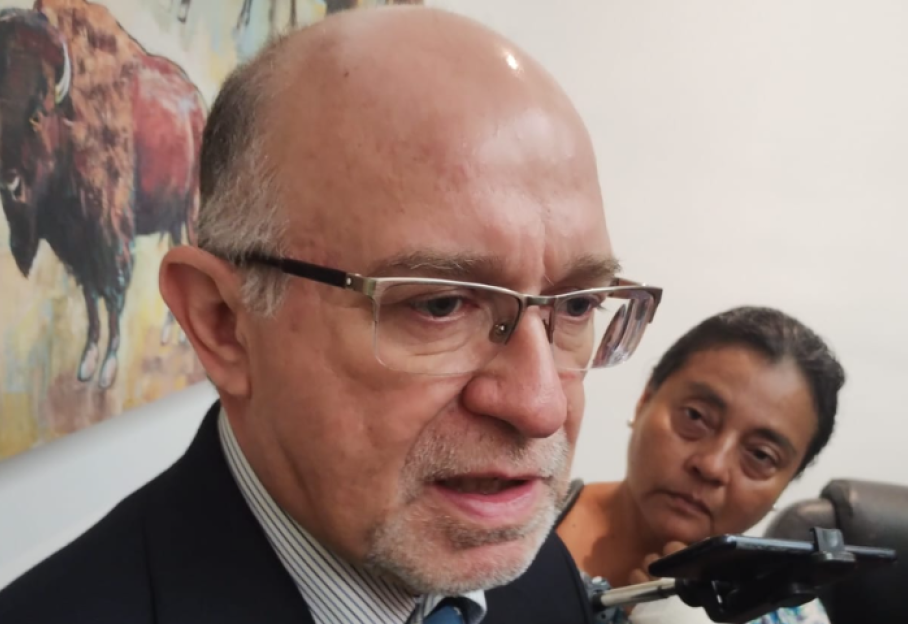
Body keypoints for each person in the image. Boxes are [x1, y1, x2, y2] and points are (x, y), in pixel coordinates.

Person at [0, 6, 666, 624]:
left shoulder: (536, 566)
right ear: (221, 322)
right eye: (439, 304)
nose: (542, 406)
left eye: (577, 304)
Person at [557, 306, 845, 624]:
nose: (712, 466)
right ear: (645, 400)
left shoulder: (794, 615)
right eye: (695, 416)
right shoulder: (523, 528)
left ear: (787, 482)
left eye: (761, 455)